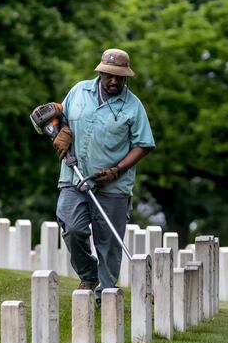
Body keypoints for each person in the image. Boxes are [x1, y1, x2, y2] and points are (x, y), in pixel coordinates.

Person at [52, 48, 155, 306]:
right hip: (74, 175)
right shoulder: (79, 91)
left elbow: (143, 144)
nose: (113, 81)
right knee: (72, 226)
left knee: (108, 243)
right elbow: (60, 117)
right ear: (101, 71)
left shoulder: (133, 106)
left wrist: (116, 170)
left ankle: (106, 297)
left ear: (126, 78)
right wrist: (62, 130)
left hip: (113, 185)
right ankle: (88, 275)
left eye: (119, 77)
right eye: (109, 75)